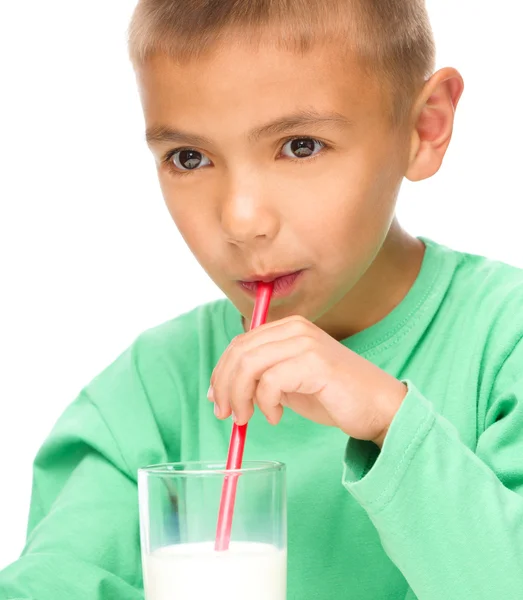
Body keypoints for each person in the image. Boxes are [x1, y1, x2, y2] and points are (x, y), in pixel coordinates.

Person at [2, 0, 523, 598]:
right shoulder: (146, 397)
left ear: (424, 126)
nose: (241, 219)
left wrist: (389, 422)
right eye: (189, 158)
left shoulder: (508, 346)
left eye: (300, 145)